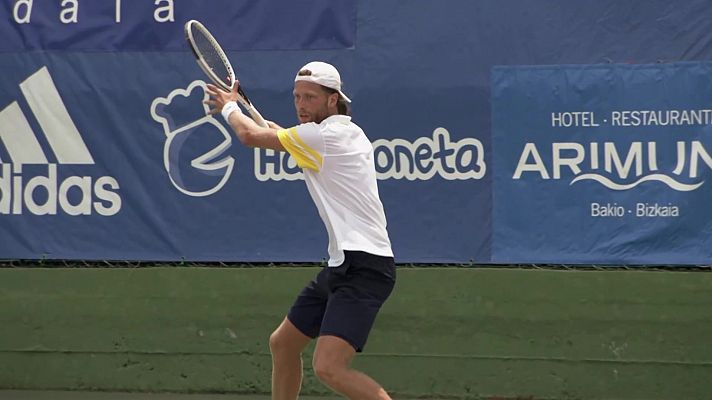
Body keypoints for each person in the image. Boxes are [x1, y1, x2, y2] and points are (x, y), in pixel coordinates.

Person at [205, 61, 396, 400]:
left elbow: (250, 136)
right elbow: (275, 133)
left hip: (365, 268)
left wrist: (229, 107)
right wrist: (255, 119)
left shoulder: (327, 136)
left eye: (310, 97)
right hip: (342, 264)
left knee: (329, 368)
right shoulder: (334, 134)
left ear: (333, 99)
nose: (301, 105)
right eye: (296, 97)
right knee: (283, 344)